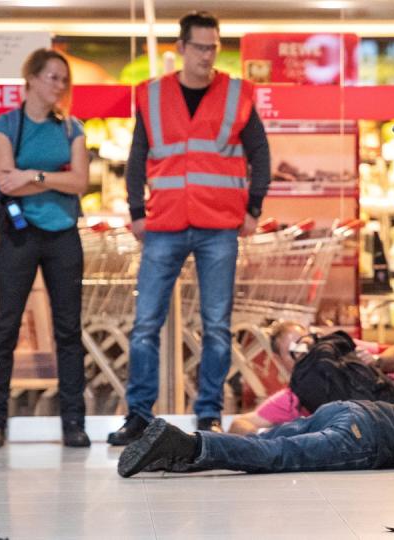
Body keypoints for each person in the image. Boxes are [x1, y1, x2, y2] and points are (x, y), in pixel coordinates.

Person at [108, 11, 271, 445]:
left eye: (213, 47)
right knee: (145, 324)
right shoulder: (152, 96)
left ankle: (208, 415)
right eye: (199, 47)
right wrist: (136, 211)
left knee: (216, 325)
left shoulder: (236, 94)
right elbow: (137, 157)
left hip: (220, 224)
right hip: (164, 222)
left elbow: (260, 154)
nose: (207, 55)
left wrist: (253, 208)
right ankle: (139, 416)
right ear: (180, 49)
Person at [0, 49, 90, 448]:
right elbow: (6, 181)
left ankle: (73, 423)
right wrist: (53, 177)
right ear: (30, 80)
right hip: (18, 235)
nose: (58, 86)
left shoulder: (72, 128)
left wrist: (35, 175)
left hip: (64, 235)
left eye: (64, 79)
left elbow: (80, 182)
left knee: (69, 330)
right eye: (51, 77)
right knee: (6, 326)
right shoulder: (6, 126)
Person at [116, 400, 394, 477]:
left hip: (343, 410)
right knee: (276, 455)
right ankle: (188, 445)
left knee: (272, 438)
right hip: (364, 436)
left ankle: (169, 456)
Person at [228, 322, 394, 435]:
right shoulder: (293, 397)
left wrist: (378, 361)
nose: (304, 351)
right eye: (293, 350)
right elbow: (240, 424)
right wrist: (276, 434)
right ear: (280, 362)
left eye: (305, 341)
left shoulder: (340, 348)